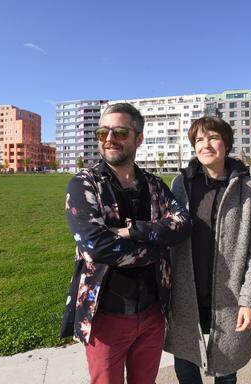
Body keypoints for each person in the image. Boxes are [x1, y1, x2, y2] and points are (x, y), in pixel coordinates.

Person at [60, 103, 192, 384]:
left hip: (152, 313)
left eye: (119, 132)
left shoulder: (154, 185)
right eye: (103, 133)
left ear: (138, 138)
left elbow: (183, 224)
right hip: (106, 317)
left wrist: (134, 232)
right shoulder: (85, 184)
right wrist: (157, 247)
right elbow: (97, 246)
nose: (109, 139)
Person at [165, 116, 251, 383]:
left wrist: (249, 299)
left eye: (212, 137)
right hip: (186, 296)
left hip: (228, 299)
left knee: (226, 370)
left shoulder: (248, 189)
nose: (205, 145)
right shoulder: (181, 186)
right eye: (199, 140)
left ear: (226, 143)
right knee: (186, 369)